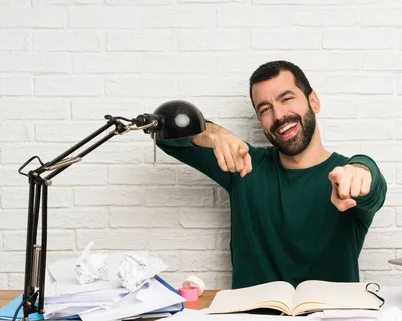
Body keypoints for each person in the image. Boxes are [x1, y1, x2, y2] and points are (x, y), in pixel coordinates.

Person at [157, 60, 387, 289]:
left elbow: (373, 189)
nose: (278, 116)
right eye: (265, 109)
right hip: (252, 320)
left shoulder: (344, 176)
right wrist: (215, 136)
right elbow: (164, 131)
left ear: (313, 101)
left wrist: (361, 169)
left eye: (286, 99)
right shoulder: (244, 165)